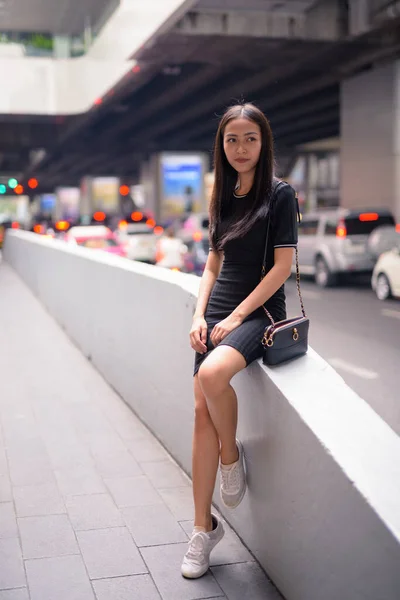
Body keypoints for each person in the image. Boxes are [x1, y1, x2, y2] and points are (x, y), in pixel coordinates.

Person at [181, 102, 298, 579]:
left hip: (259, 311)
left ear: (263, 141)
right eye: (232, 140)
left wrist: (235, 316)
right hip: (217, 311)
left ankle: (232, 458)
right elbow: (213, 263)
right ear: (222, 146)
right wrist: (198, 314)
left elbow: (282, 268)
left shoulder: (281, 194)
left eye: (250, 138)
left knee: (212, 375)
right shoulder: (223, 192)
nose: (241, 148)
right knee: (199, 411)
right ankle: (202, 529)